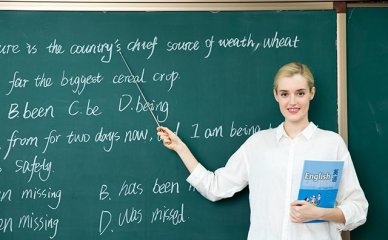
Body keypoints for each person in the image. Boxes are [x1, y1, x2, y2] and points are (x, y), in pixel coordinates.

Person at [157, 62, 368, 240]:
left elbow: (358, 208)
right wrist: (181, 148)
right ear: (276, 95)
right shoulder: (257, 144)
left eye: (300, 93)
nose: (292, 101)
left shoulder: (331, 144)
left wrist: (321, 213)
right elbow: (215, 187)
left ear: (311, 93)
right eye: (285, 93)